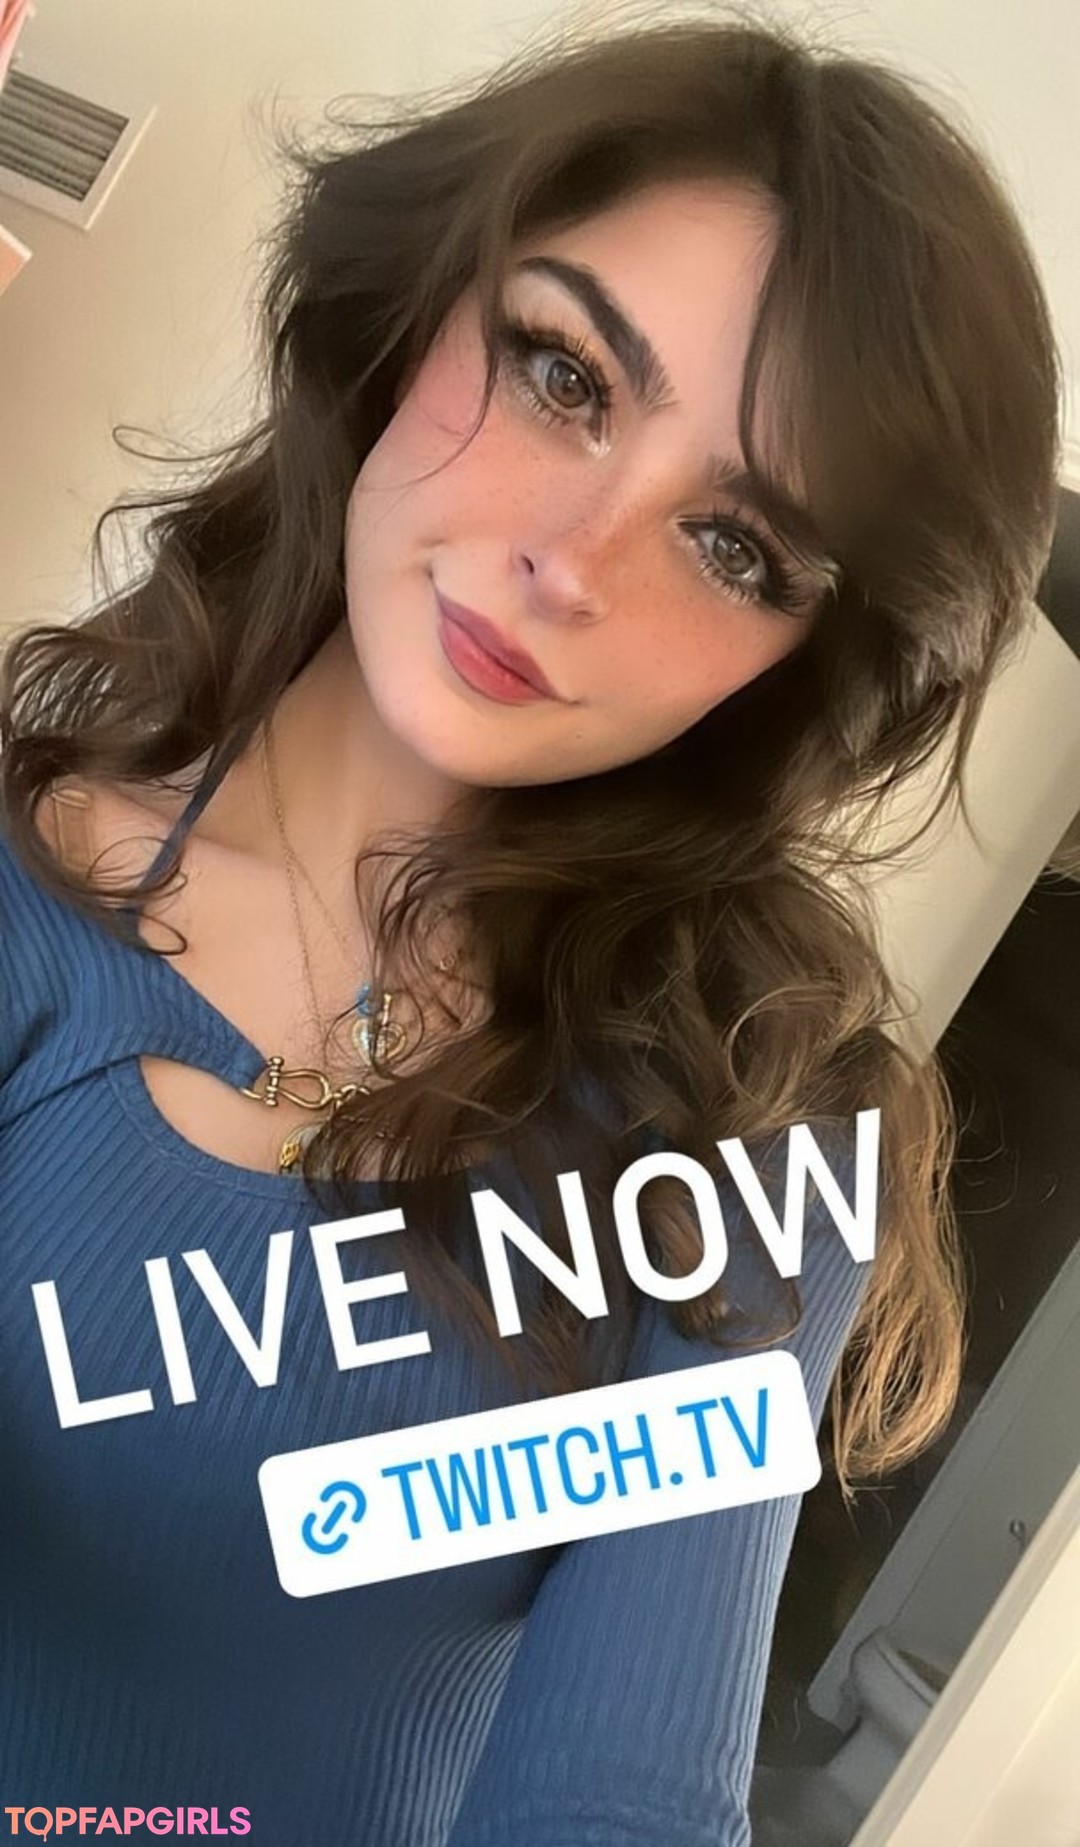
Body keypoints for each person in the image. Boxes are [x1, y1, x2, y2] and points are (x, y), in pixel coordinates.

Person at [0, 13, 1060, 1844]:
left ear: (799, 662)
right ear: (417, 308)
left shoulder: (752, 1141)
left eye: (736, 546)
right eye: (565, 373)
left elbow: (622, 1802)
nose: (573, 561)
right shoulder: (34, 878)